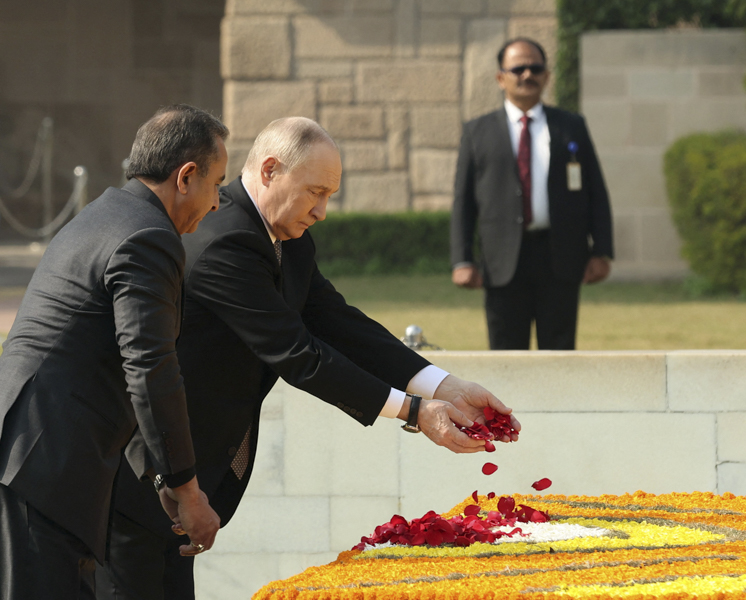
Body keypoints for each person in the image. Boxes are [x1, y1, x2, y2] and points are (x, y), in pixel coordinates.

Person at [97, 117, 520, 600]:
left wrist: (443, 386)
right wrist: (415, 412)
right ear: (271, 170)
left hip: (180, 479)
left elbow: (336, 321)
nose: (321, 211)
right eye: (314, 192)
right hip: (140, 475)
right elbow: (298, 354)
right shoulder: (223, 240)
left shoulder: (285, 236)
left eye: (329, 196)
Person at [0, 104, 228, 600]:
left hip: (33, 458)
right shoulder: (148, 236)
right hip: (43, 465)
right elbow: (149, 367)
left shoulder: (109, 213)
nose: (217, 204)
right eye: (217, 184)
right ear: (186, 177)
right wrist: (186, 489)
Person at [451, 37, 615, 350]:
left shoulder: (571, 127)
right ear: (501, 77)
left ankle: (561, 402)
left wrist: (601, 250)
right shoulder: (478, 132)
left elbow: (595, 190)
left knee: (560, 351)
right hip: (502, 262)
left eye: (536, 67)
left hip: (561, 257)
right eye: (518, 68)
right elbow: (463, 202)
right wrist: (462, 259)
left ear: (546, 75)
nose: (528, 74)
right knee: (506, 352)